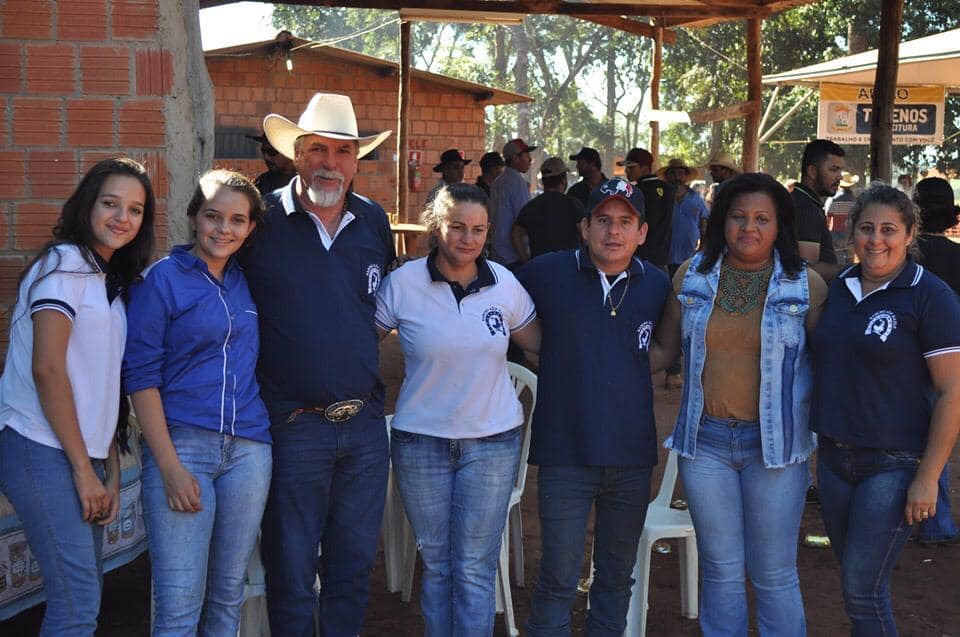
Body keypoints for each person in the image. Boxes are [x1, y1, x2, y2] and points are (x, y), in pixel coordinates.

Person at [238, 92, 395, 636]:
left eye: (343, 151)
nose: (330, 163)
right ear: (296, 154)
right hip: (292, 426)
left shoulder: (374, 222)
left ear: (356, 160)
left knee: (353, 568)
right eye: (318, 149)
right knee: (292, 571)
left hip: (365, 428)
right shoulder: (259, 221)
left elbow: (373, 310)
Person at [660, 173, 827, 636]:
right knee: (721, 568)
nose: (748, 228)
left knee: (774, 573)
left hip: (775, 450)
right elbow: (662, 351)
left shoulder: (806, 286)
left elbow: (832, 363)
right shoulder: (690, 276)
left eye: (761, 219)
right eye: (738, 216)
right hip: (706, 443)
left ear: (779, 227)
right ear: (721, 221)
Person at [375, 183, 540, 636]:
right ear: (437, 226)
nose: (467, 239)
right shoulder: (403, 284)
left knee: (473, 566)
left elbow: (540, 345)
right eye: (457, 227)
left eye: (478, 230)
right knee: (439, 562)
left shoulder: (503, 284)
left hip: (492, 443)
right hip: (420, 442)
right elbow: (358, 343)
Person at [0, 157, 155, 635]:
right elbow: (48, 370)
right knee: (77, 603)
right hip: (38, 446)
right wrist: (83, 469)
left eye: (135, 209)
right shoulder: (65, 265)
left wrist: (106, 464)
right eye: (111, 203)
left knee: (82, 596)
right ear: (88, 204)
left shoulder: (104, 279)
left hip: (77, 452)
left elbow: (101, 384)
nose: (121, 218)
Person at [520, 178, 673, 636]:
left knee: (614, 577)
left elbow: (663, 349)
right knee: (558, 577)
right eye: (603, 220)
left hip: (630, 456)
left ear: (642, 232)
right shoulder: (547, 272)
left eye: (625, 222)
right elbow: (501, 306)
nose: (613, 232)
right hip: (565, 452)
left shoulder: (656, 283)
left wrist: (621, 369)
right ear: (584, 227)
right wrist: (552, 356)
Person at [123, 170, 272, 635]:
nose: (223, 229)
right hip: (183, 448)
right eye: (212, 216)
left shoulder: (247, 284)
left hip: (249, 451)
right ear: (193, 218)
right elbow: (140, 377)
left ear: (249, 229)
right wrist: (167, 466)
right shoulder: (161, 280)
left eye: (237, 220)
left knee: (228, 596)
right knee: (179, 606)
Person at [811, 184, 960, 635]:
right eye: (867, 228)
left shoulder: (929, 295)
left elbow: (953, 391)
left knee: (863, 591)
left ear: (910, 233)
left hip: (894, 463)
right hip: (834, 459)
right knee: (857, 583)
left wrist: (928, 477)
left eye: (889, 230)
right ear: (851, 232)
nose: (877, 240)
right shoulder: (838, 287)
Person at [912, 177, 960, 546]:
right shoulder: (956, 256)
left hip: (919, 362)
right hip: (953, 360)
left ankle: (935, 522)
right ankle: (937, 523)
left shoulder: (909, 256)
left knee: (931, 443)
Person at [511, 156, 583, 263]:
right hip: (569, 267)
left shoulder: (531, 207)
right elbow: (585, 235)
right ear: (563, 180)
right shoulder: (573, 204)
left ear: (544, 182)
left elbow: (515, 234)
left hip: (540, 269)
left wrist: (526, 261)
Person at [793, 139, 844, 282]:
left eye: (841, 170)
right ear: (812, 171)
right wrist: (853, 271)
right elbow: (808, 270)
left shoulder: (808, 202)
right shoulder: (805, 207)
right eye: (834, 169)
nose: (840, 176)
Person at [620, 147, 673, 268]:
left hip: (641, 258)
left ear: (645, 168)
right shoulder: (668, 189)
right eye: (627, 168)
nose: (627, 171)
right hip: (662, 258)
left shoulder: (636, 192)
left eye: (631, 167)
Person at [490, 138, 536, 267]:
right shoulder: (517, 182)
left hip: (498, 252)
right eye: (526, 155)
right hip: (515, 254)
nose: (530, 159)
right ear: (515, 158)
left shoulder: (498, 181)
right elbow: (524, 218)